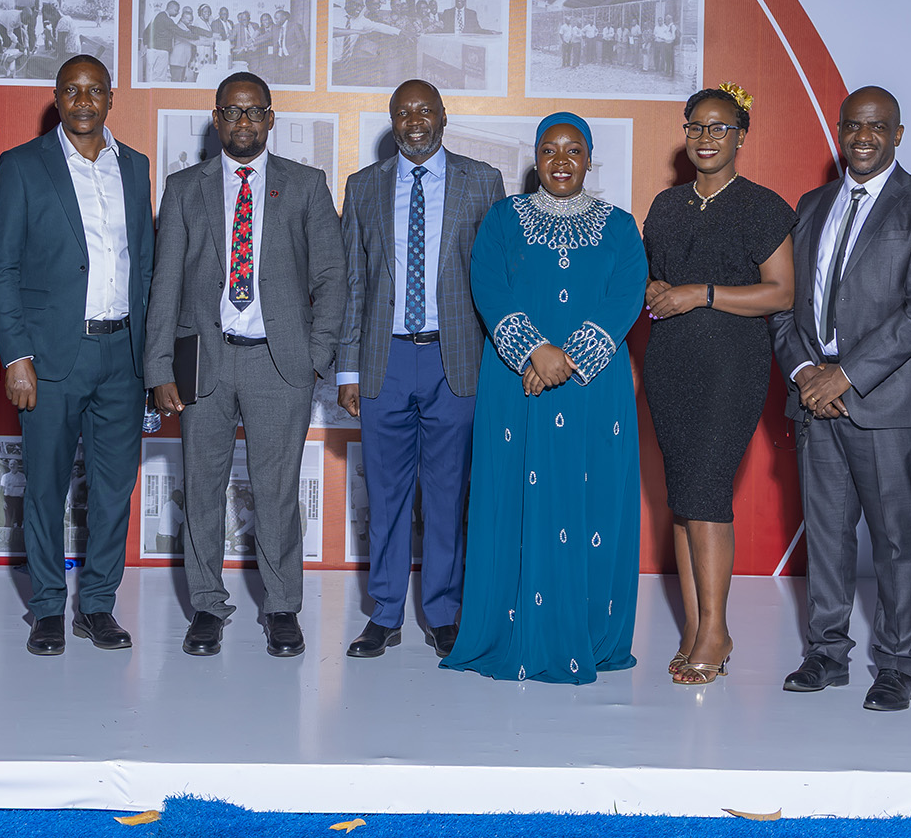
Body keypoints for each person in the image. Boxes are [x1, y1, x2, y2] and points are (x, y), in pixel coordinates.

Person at [442, 113, 648, 684]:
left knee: (592, 502)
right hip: (517, 385)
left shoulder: (620, 226)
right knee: (513, 499)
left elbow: (625, 296)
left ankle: (588, 631)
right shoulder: (503, 219)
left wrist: (567, 359)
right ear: (535, 159)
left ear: (589, 159)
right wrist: (534, 351)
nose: (561, 161)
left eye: (573, 150)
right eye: (550, 149)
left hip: (592, 389)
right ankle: (506, 630)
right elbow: (488, 286)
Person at [769, 86, 911, 712]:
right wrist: (805, 373)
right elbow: (786, 303)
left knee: (896, 538)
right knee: (826, 535)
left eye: (877, 126)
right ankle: (826, 652)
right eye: (852, 125)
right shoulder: (811, 204)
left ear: (897, 134)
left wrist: (844, 376)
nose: (863, 137)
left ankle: (898, 663)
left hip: (882, 401)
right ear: (839, 131)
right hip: (813, 397)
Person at [147, 72, 345, 659]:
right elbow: (165, 283)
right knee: (202, 489)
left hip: (278, 365)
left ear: (270, 118)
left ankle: (282, 607)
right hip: (203, 363)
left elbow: (332, 276)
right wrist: (159, 367)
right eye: (232, 112)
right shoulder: (184, 188)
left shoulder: (305, 185)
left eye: (254, 111)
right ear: (216, 118)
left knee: (277, 492)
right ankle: (207, 606)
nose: (243, 122)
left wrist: (316, 356)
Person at [0, 54, 153, 655]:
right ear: (56, 99)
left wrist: (153, 360)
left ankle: (99, 605)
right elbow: (0, 268)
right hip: (52, 357)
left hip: (124, 354)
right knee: (46, 488)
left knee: (113, 490)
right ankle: (48, 608)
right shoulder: (21, 165)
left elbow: (146, 266)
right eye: (71, 90)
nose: (84, 101)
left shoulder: (135, 166)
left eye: (95, 90)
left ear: (111, 98)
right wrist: (15, 356)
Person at [336, 80, 507, 659]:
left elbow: (496, 277)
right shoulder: (363, 186)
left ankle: (443, 612)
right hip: (383, 359)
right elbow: (352, 283)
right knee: (385, 496)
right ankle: (384, 614)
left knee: (447, 495)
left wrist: (501, 362)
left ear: (443, 117)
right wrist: (347, 369)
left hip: (455, 359)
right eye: (404, 112)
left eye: (425, 111)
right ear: (392, 121)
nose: (415, 121)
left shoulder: (482, 181)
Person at [642, 85, 795, 685]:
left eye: (719, 127)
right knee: (683, 498)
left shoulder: (761, 206)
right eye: (696, 127)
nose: (706, 138)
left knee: (705, 491)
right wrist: (653, 289)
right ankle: (695, 627)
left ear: (741, 135)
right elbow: (651, 279)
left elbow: (781, 292)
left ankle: (717, 631)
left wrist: (700, 293)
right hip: (669, 363)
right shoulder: (666, 205)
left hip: (731, 364)